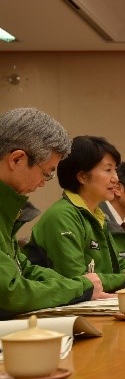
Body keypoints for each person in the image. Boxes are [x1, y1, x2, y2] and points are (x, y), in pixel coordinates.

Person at [0, 108, 112, 319]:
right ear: (16, 159)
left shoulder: (6, 210)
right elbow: (10, 292)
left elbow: (23, 269)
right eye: (46, 173)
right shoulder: (62, 215)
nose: (43, 183)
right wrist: (80, 287)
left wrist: (77, 285)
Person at [25, 136, 125, 290]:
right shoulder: (62, 216)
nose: (115, 178)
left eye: (115, 170)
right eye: (108, 170)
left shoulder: (98, 215)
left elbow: (110, 272)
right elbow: (77, 281)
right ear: (82, 176)